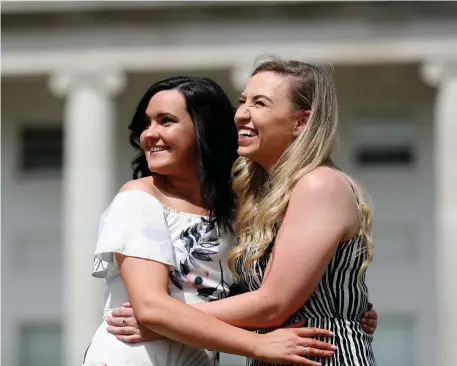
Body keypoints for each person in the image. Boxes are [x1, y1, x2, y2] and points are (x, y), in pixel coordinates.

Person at [106, 59, 378, 366]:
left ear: (301, 122)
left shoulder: (318, 184)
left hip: (320, 357)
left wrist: (163, 322)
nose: (241, 114)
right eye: (242, 101)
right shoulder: (256, 197)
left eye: (260, 103)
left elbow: (274, 303)